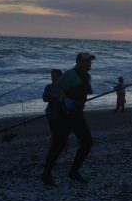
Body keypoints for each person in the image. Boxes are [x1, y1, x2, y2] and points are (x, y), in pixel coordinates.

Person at [41, 52, 95, 186]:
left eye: (90, 61)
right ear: (78, 62)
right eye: (86, 61)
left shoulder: (86, 76)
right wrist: (66, 100)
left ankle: (73, 172)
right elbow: (54, 89)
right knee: (58, 146)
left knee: (87, 142)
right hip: (64, 116)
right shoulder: (69, 74)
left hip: (77, 115)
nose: (89, 63)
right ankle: (46, 175)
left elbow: (85, 92)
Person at [42, 68, 63, 132]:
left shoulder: (64, 86)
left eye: (54, 76)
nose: (52, 78)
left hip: (62, 112)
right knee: (53, 130)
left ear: (60, 77)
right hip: (50, 112)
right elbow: (44, 99)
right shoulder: (48, 87)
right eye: (52, 76)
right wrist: (52, 96)